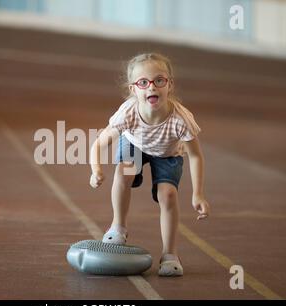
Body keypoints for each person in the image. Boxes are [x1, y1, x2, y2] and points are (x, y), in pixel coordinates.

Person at [89, 53, 210, 277]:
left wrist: (198, 194)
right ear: (134, 89)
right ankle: (118, 226)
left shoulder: (181, 120)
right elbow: (98, 144)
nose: (151, 87)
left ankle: (170, 254)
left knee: (168, 196)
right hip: (134, 142)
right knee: (124, 171)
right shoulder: (128, 113)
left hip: (167, 153)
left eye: (159, 80)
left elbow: (195, 156)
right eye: (143, 82)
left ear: (169, 85)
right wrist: (96, 170)